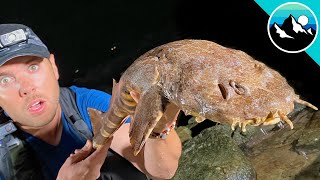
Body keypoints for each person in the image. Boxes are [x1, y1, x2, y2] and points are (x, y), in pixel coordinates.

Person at [0, 24, 182, 180]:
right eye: (4, 80)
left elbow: (162, 171)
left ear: (53, 67)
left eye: (33, 67)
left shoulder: (86, 104)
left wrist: (158, 129)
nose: (26, 88)